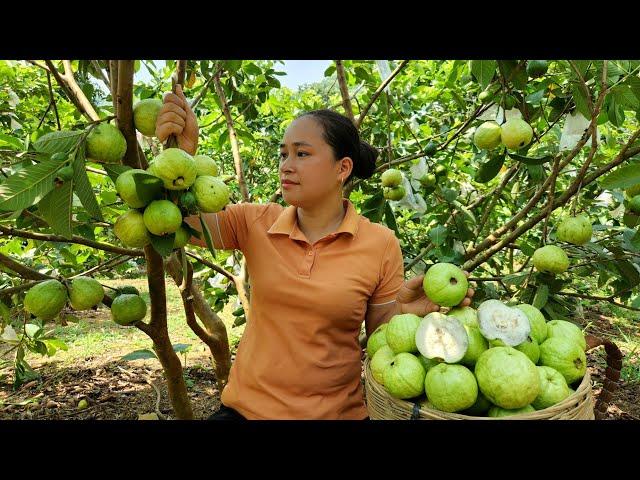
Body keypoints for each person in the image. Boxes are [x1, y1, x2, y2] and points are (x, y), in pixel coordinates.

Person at [155, 85, 475, 420]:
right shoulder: (255, 222)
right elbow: (171, 221)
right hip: (246, 411)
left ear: (342, 168)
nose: (286, 166)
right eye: (283, 154)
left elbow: (385, 339)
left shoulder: (379, 243)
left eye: (302, 154)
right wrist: (182, 154)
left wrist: (405, 312)